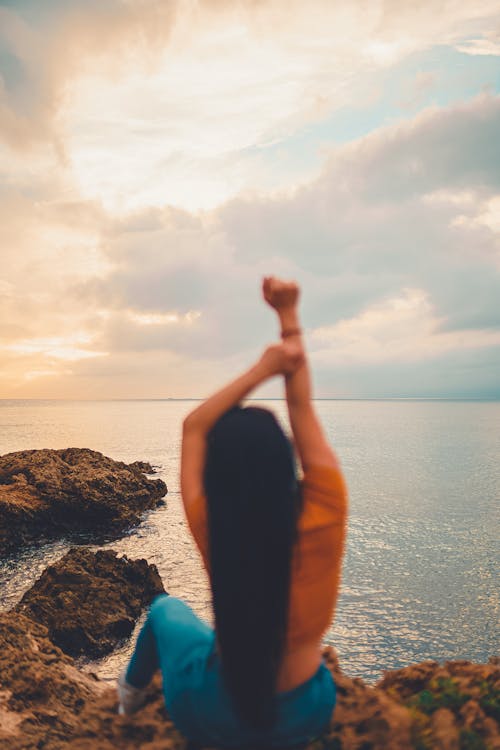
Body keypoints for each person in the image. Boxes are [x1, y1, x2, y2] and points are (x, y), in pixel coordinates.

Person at [117, 276, 348, 748]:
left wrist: (259, 370)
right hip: (306, 714)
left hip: (211, 714)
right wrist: (288, 316)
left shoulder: (216, 526)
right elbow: (301, 403)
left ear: (218, 477)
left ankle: (126, 701)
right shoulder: (326, 509)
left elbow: (194, 425)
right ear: (287, 462)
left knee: (165, 610)